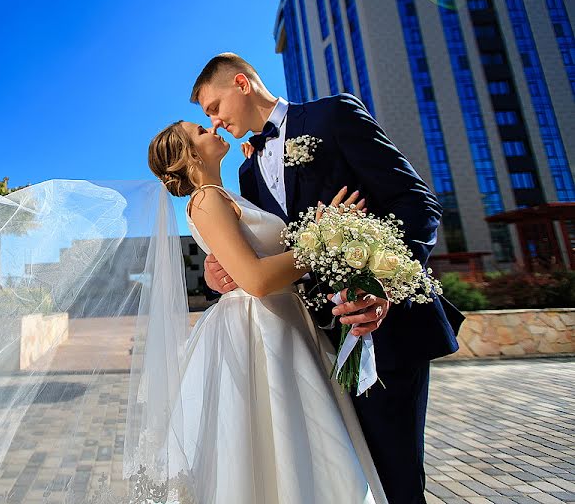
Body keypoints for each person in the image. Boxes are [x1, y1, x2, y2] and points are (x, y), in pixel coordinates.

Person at [191, 52, 464, 503]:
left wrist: (384, 288)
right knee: (345, 477)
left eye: (213, 108)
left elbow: (417, 204)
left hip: (381, 329)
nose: (215, 123)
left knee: (394, 474)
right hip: (314, 346)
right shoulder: (246, 170)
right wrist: (222, 270)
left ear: (241, 83)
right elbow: (274, 252)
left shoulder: (334, 114)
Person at [146, 120, 386, 502]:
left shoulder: (227, 196)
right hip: (258, 328)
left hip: (284, 321)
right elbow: (255, 280)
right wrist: (322, 240)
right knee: (273, 440)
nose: (213, 128)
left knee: (297, 443)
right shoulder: (206, 199)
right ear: (190, 154)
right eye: (201, 130)